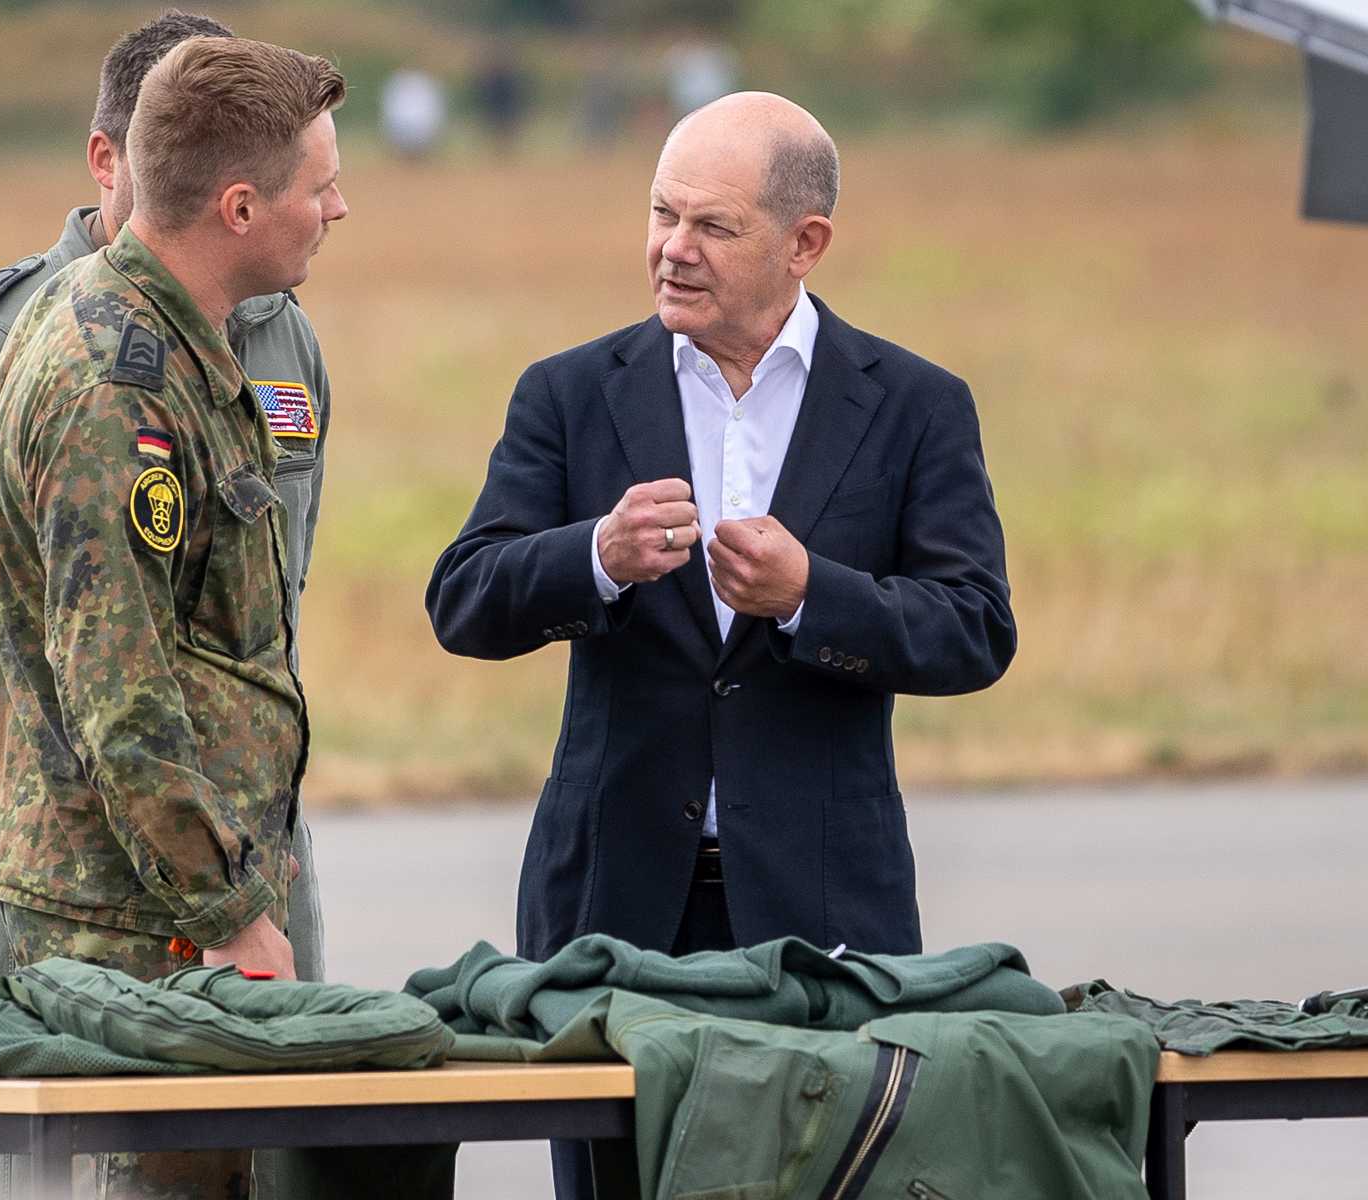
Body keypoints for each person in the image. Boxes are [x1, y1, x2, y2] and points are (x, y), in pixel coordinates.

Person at [425, 92, 1015, 1199]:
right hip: (612, 913)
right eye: (660, 215)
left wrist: (810, 597)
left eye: (712, 227)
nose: (670, 250)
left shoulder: (916, 406)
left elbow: (975, 628)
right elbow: (464, 599)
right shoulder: (568, 392)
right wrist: (595, 554)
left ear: (807, 244)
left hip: (823, 912)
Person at [0, 9, 332, 999]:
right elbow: (54, 662)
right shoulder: (72, 356)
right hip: (112, 890)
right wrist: (102, 803)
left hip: (243, 853)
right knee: (93, 1157)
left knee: (283, 1149)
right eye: (317, 187)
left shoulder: (278, 336)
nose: (337, 211)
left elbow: (248, 626)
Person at [0, 34, 345, 1199]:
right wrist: (228, 915)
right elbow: (120, 692)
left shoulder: (178, 344)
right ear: (238, 206)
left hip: (160, 903)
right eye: (318, 186)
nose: (339, 207)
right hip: (133, 928)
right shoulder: (116, 384)